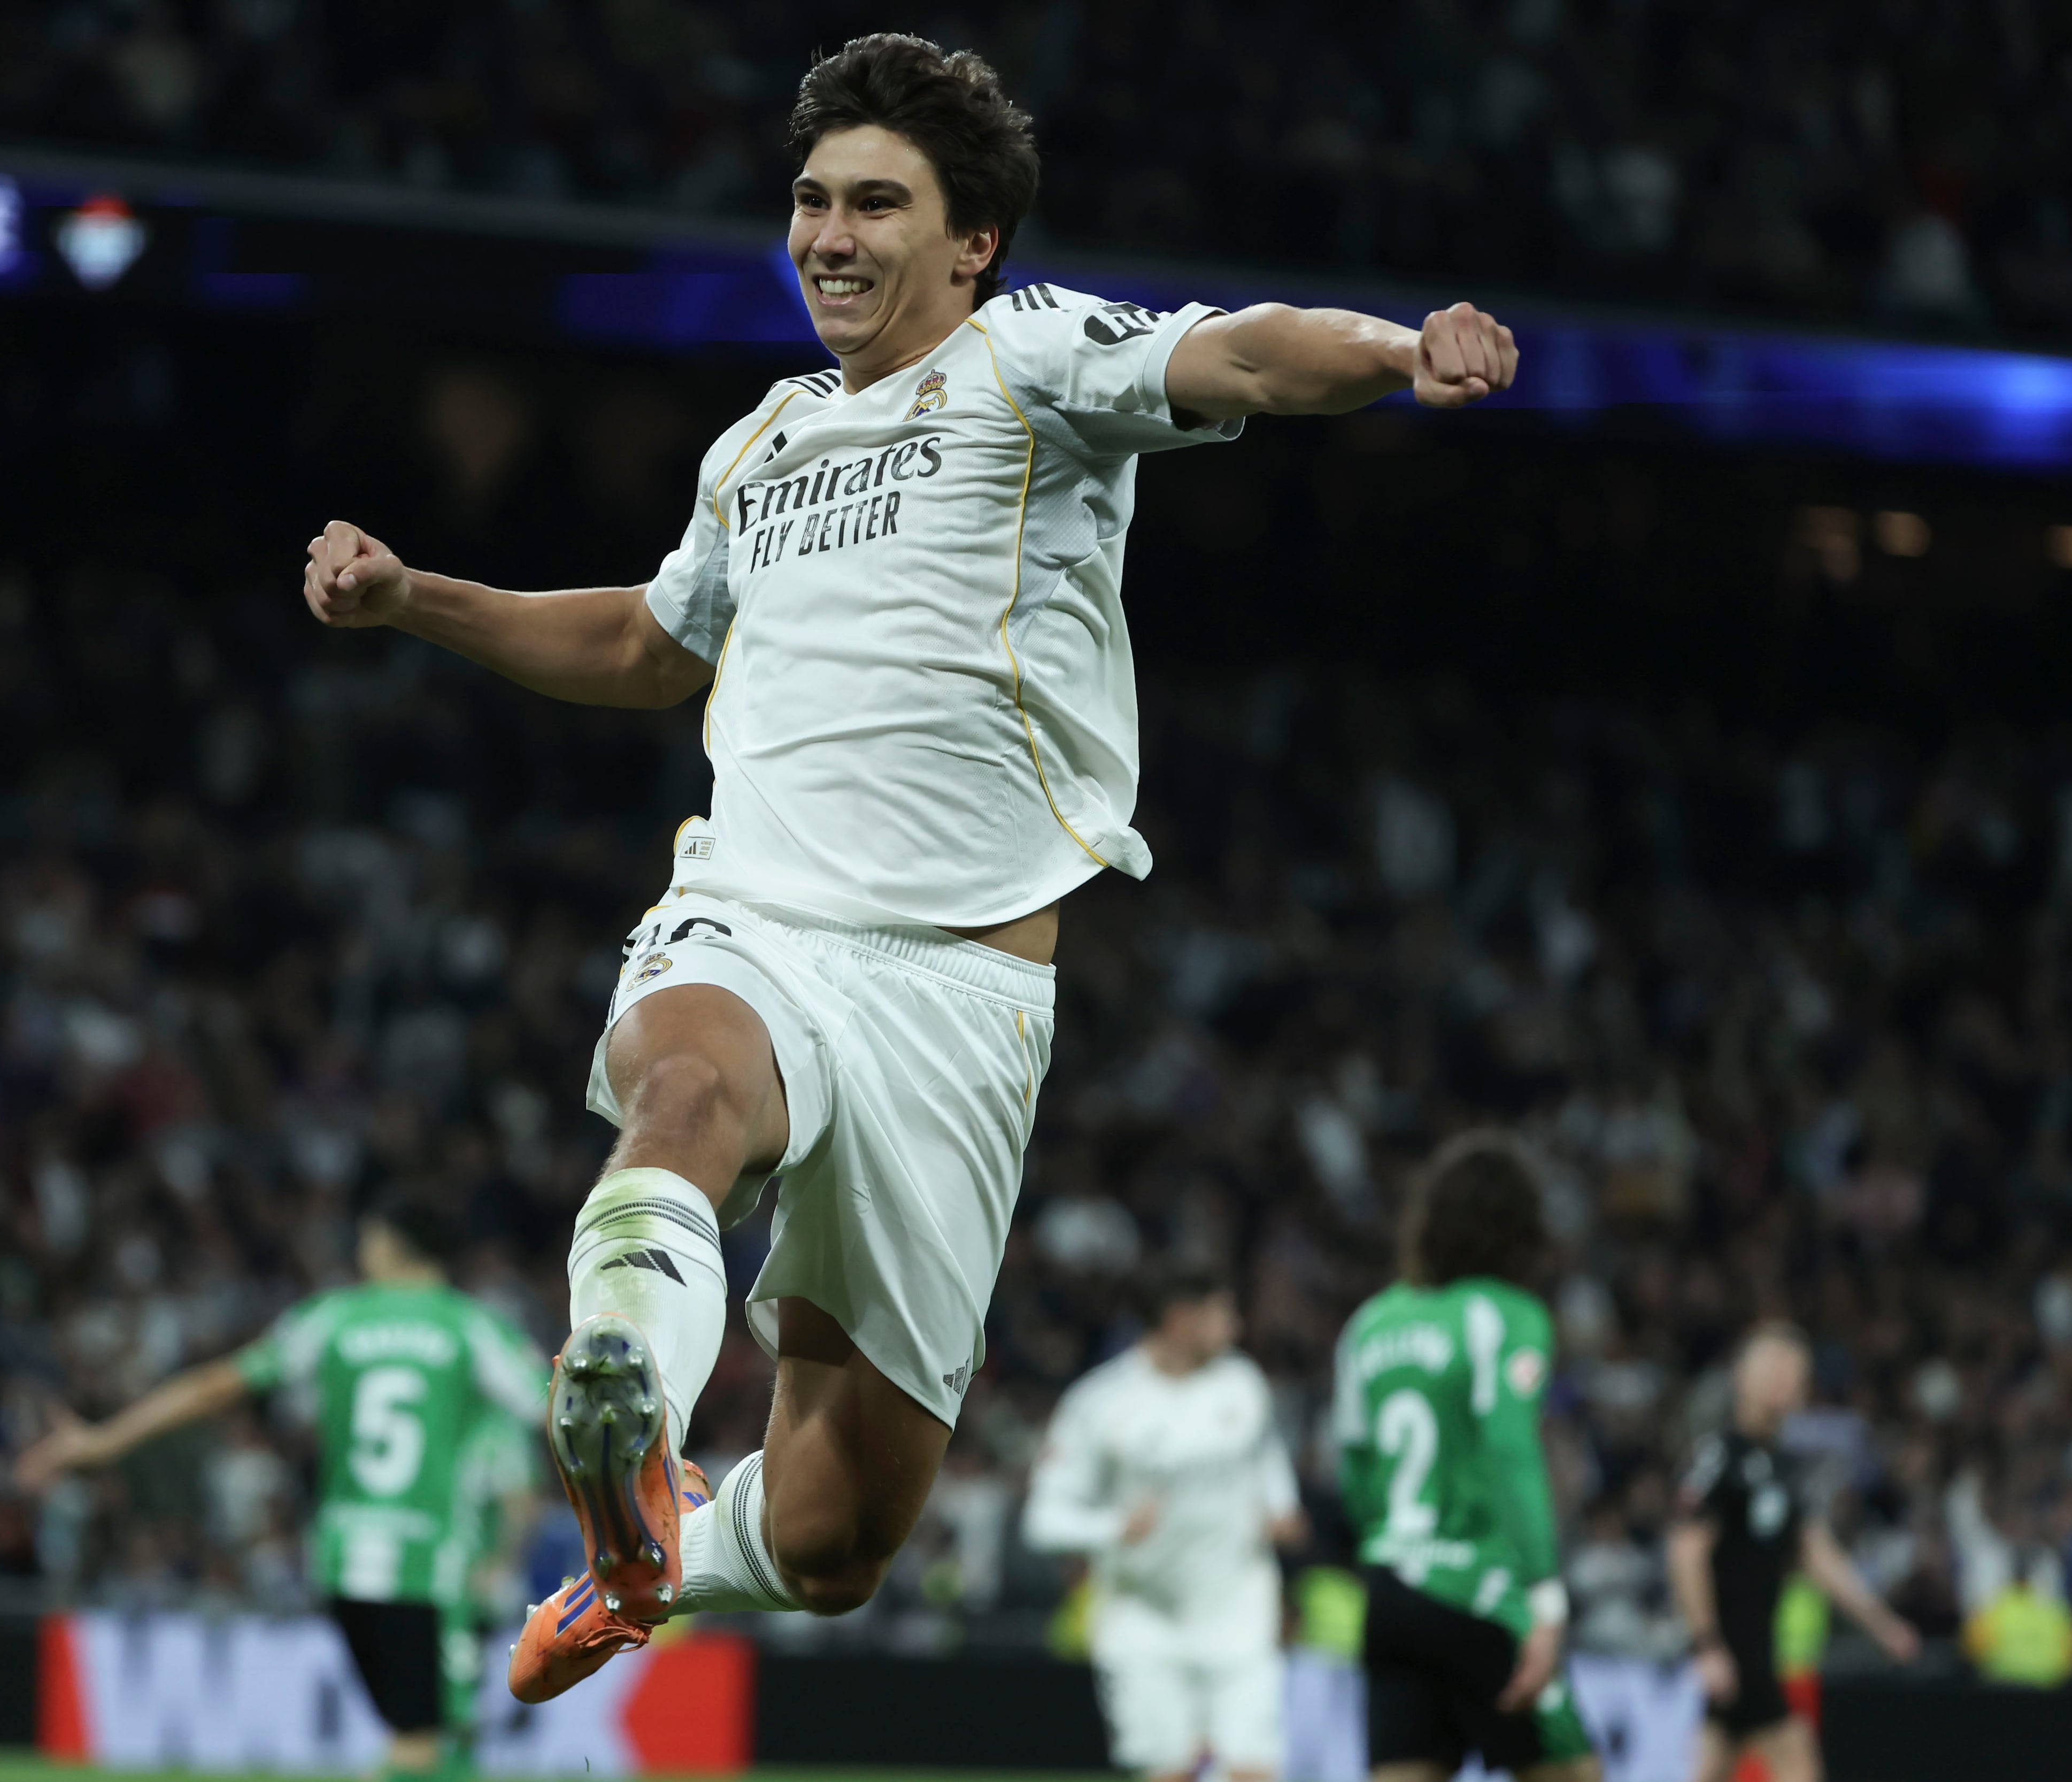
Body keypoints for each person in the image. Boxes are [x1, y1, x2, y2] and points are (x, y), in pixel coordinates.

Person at [296, 30, 1516, 1706]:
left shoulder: (1036, 360)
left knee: (835, 1534)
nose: (829, 234)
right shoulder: (762, 443)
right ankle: (627, 1413)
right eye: (808, 200)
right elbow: (652, 643)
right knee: (683, 1091)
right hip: (757, 911)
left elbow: (1238, 353)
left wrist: (1397, 351)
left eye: (876, 202)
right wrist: (416, 597)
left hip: (958, 989)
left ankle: (653, 1559)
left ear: (971, 243)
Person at [14, 1194, 551, 1780]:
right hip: (427, 1567)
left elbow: (218, 1384)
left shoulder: (332, 1319)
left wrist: (106, 1441)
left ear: (391, 1245)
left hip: (344, 1563)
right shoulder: (470, 1329)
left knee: (419, 1736)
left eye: (368, 1239)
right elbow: (555, 1409)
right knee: (429, 1740)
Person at [1330, 1131, 1597, 1782]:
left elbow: (1352, 1471)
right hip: (1479, 1593)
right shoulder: (1506, 1315)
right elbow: (1512, 1454)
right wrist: (1544, 1597)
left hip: (1391, 1591)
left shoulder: (1370, 1324)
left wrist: (1394, 1544)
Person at [1023, 1265, 1308, 1782]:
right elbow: (1043, 1519)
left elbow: (1266, 1462)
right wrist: (1114, 1528)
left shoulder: (1243, 1384)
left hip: (1239, 1613)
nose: (1236, 1328)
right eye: (1224, 1314)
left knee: (1254, 1772)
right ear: (1181, 1320)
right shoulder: (1100, 1403)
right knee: (1168, 1773)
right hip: (1143, 1622)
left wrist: (1282, 1508)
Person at [1669, 1325, 1920, 1782]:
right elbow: (1686, 1551)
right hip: (1734, 1650)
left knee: (1713, 1767)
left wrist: (1882, 1625)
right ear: (1744, 1377)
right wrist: (1705, 1644)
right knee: (1795, 1760)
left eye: (1795, 1372)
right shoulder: (1721, 1456)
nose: (1786, 1381)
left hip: (1756, 1650)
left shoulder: (1785, 1468)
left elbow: (1817, 1556)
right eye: (1774, 1369)